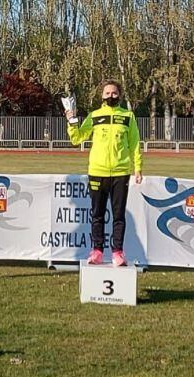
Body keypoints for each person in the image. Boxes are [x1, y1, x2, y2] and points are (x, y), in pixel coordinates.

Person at [65, 79, 143, 266]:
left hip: (120, 172)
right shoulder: (94, 116)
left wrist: (138, 168)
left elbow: (134, 145)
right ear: (102, 96)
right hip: (97, 171)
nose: (111, 96)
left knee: (118, 216)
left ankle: (118, 253)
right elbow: (77, 139)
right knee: (97, 214)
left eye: (114, 93)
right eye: (107, 93)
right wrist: (71, 121)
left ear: (120, 95)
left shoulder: (128, 117)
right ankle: (97, 251)